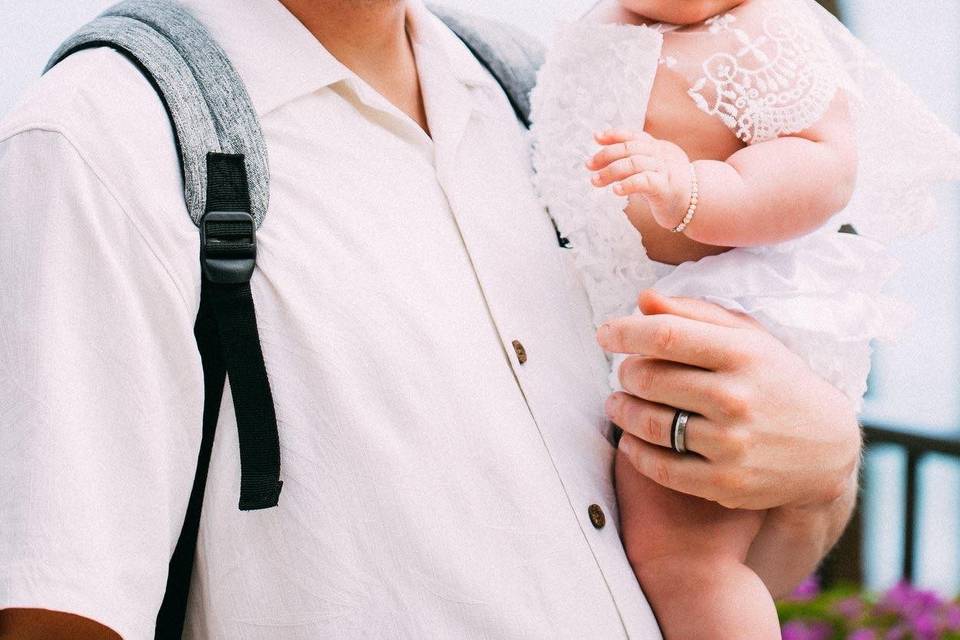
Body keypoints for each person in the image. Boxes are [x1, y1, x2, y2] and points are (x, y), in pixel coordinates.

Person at [0, 0, 863, 638]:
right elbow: (61, 610)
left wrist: (819, 465)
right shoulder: (103, 144)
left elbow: (722, 565)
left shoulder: (538, 96)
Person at [531, 0, 960, 637]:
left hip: (725, 312)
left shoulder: (764, 32)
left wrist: (699, 190)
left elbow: (820, 163)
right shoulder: (593, 29)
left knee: (682, 556)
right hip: (636, 300)